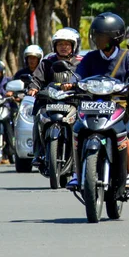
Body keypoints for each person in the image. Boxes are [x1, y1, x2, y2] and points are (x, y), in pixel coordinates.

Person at [65, 12, 129, 191]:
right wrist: (70, 84)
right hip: (92, 105)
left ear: (115, 37)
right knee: (77, 132)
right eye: (96, 36)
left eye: (102, 36)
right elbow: (79, 74)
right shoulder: (90, 58)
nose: (98, 40)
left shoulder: (128, 57)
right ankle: (76, 174)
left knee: (121, 134)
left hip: (121, 105)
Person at [26, 28, 82, 166]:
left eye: (67, 44)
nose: (64, 47)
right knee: (38, 117)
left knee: (84, 122)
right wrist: (33, 88)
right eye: (60, 44)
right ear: (55, 46)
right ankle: (38, 152)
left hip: (74, 100)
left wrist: (75, 86)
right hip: (50, 100)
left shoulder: (81, 63)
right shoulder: (47, 62)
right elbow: (37, 79)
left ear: (73, 46)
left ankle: (82, 152)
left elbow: (87, 79)